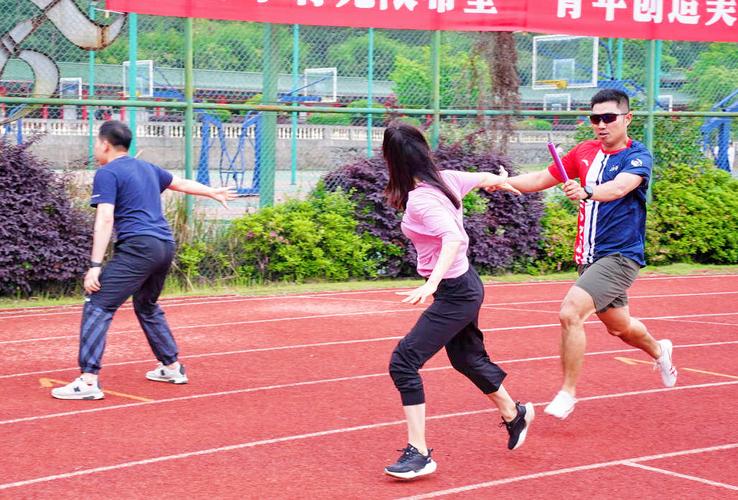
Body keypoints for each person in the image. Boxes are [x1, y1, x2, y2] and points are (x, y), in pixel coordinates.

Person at [503, 89, 677, 420]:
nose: (600, 124)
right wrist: (502, 182)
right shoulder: (583, 151)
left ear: (627, 118)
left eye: (608, 118)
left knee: (570, 313)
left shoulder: (637, 157)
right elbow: (541, 178)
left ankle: (568, 393)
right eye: (595, 118)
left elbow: (620, 188)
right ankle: (660, 350)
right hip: (588, 257)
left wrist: (586, 191)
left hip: (620, 256)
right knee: (620, 327)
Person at [381, 123, 534, 480]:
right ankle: (515, 413)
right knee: (466, 358)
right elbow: (483, 178)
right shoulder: (446, 179)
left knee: (403, 362)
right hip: (464, 285)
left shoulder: (421, 198)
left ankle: (419, 453)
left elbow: (453, 237)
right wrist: (500, 179)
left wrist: (430, 285)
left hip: (455, 290)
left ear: (393, 161)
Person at [51, 120, 236, 400]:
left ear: (105, 144)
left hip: (140, 247)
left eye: (96, 143)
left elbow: (104, 218)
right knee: (146, 305)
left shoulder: (107, 172)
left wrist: (94, 267)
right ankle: (171, 366)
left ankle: (88, 381)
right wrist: (211, 191)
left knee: (97, 304)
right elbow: (180, 183)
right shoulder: (147, 168)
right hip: (165, 246)